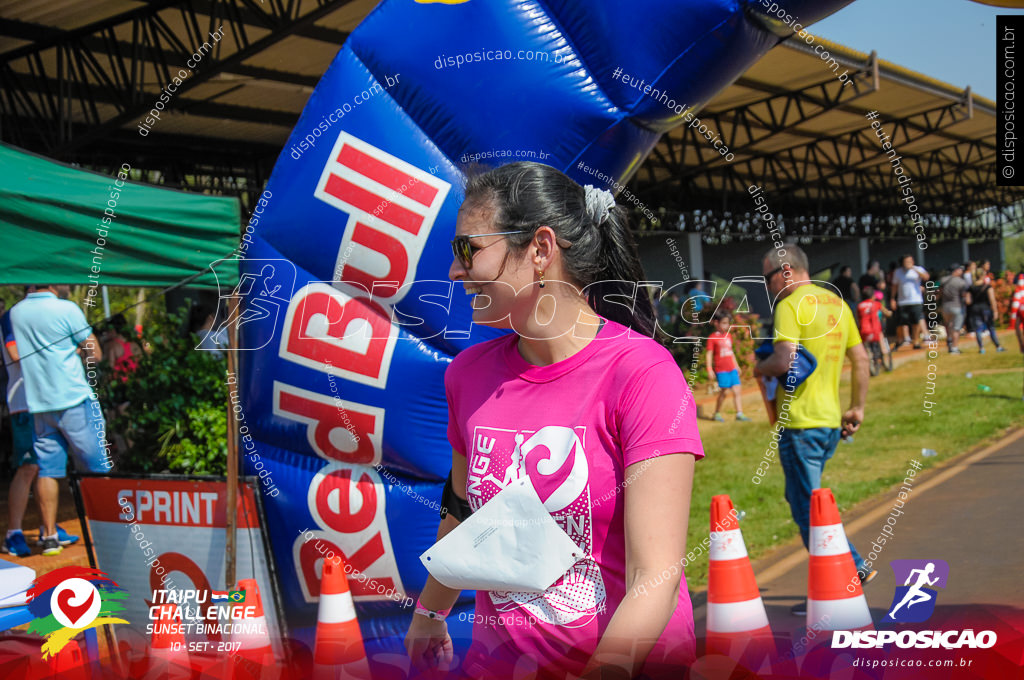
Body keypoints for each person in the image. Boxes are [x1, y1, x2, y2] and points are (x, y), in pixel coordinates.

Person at [405, 162, 705, 680]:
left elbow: (653, 576)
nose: (455, 272)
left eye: (468, 250)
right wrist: (431, 612)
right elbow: (466, 516)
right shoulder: (468, 375)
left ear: (540, 250)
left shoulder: (643, 374)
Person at [754, 245, 874, 617]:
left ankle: (845, 575)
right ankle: (841, 576)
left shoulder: (790, 305)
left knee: (810, 509)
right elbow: (861, 359)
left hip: (800, 423)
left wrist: (760, 369)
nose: (767, 286)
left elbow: (785, 359)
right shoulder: (838, 305)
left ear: (785, 272)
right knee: (803, 500)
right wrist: (857, 407)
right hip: (829, 421)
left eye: (767, 278)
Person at [9, 285, 110, 556]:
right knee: (97, 466)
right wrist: (78, 353)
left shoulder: (16, 312)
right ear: (53, 281)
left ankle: (50, 536)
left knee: (48, 470)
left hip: (39, 404)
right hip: (74, 399)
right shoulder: (67, 308)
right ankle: (112, 529)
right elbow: (96, 353)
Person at [2, 289, 82, 557]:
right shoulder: (13, 317)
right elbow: (15, 355)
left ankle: (47, 526)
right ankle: (13, 533)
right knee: (29, 467)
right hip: (25, 404)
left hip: (46, 402)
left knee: (47, 466)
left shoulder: (28, 315)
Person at [705, 311, 750, 421]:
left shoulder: (728, 336)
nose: (727, 325)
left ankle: (739, 413)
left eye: (727, 323)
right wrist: (709, 369)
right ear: (716, 323)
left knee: (737, 390)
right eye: (724, 323)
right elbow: (709, 354)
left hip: (732, 369)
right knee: (724, 392)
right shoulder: (712, 338)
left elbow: (731, 352)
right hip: (721, 370)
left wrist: (737, 366)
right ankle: (717, 413)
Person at [892, 254, 929, 349]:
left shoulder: (918, 269)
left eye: (909, 261)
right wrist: (892, 298)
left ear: (913, 262)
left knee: (915, 322)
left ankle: (916, 341)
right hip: (902, 301)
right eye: (906, 262)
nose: (907, 263)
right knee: (901, 322)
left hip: (916, 300)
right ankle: (901, 340)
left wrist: (914, 269)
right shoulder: (898, 272)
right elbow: (894, 286)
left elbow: (926, 277)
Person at [965, 276, 1004, 354]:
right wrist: (995, 311)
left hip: (975, 309)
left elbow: (968, 301)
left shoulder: (971, 287)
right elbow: (992, 299)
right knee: (991, 328)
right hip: (986, 309)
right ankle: (998, 346)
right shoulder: (987, 287)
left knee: (978, 329)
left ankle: (981, 348)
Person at [857, 286, 891, 370]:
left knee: (866, 346)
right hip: (875, 330)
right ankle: (885, 360)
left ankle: (870, 358)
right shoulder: (876, 304)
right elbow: (886, 312)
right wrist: (890, 313)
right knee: (882, 343)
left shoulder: (860, 306)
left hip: (864, 331)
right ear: (873, 296)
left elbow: (858, 318)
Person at [939, 264, 969, 354]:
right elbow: (964, 296)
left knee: (948, 325)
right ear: (956, 271)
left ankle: (949, 340)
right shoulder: (961, 282)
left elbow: (937, 289)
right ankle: (954, 348)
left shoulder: (943, 280)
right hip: (957, 306)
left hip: (945, 307)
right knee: (956, 328)